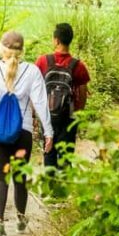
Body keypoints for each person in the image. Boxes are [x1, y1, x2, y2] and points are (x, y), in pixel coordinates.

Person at [0, 31, 53, 236]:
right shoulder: (32, 71)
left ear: (1, 48)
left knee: (2, 178)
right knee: (20, 177)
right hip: (23, 132)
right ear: (22, 51)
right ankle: (20, 218)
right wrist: (48, 132)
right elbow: (40, 103)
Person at [34, 23, 91, 169]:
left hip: (48, 115)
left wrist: (34, 113)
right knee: (66, 157)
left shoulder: (43, 61)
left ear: (56, 40)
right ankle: (64, 187)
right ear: (70, 40)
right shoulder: (78, 66)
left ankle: (50, 187)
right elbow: (83, 93)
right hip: (68, 117)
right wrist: (78, 114)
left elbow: (35, 89)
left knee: (49, 152)